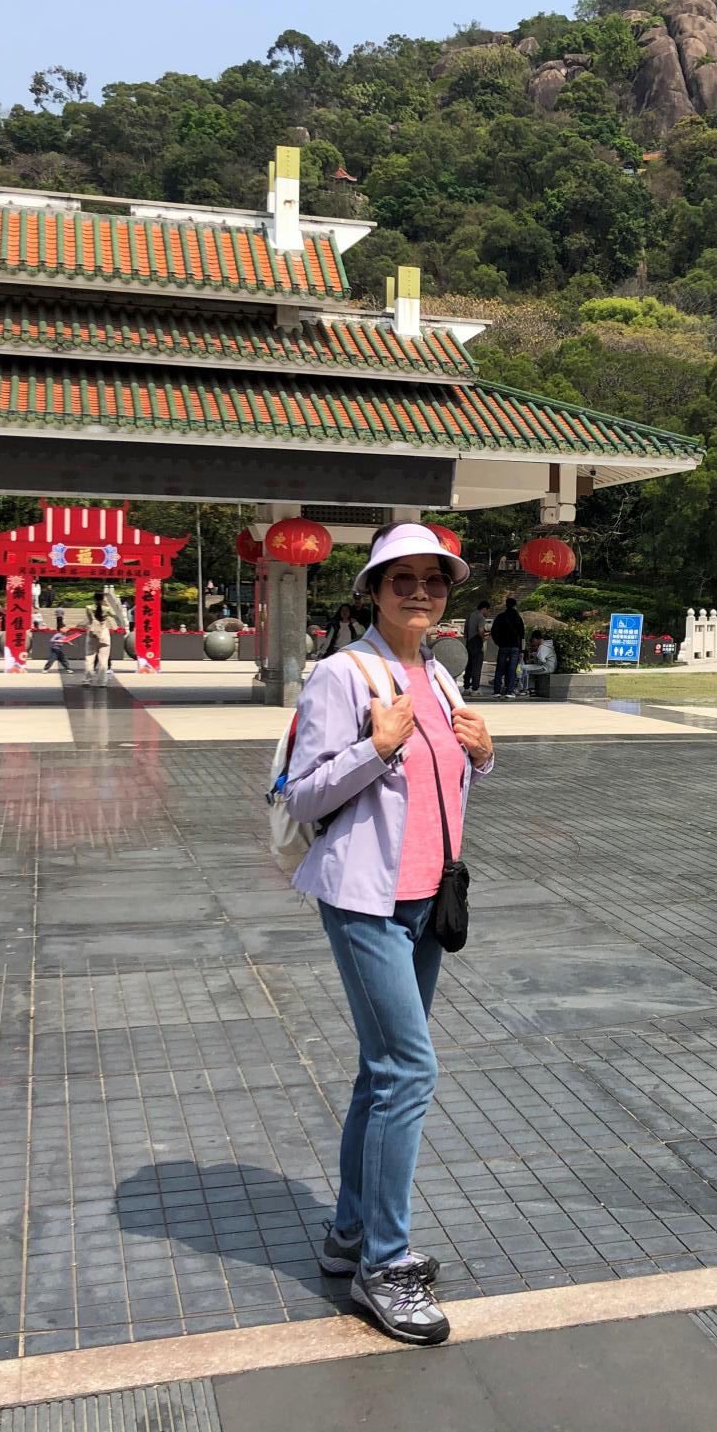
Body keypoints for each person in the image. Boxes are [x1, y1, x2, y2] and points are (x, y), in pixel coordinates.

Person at [283, 523, 494, 1346]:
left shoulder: (439, 676)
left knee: (382, 1074)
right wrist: (374, 748)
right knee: (410, 1069)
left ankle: (349, 1233)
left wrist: (484, 754)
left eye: (433, 580)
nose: (420, 592)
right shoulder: (342, 675)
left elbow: (442, 779)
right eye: (401, 578)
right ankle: (385, 1263)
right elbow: (302, 794)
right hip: (365, 902)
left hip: (428, 901)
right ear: (371, 590)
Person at [490, 595, 525, 698]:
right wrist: (522, 650)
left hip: (503, 646)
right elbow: (522, 635)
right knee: (512, 669)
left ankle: (497, 691)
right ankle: (510, 691)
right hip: (515, 647)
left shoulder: (500, 617)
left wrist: (499, 643)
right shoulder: (518, 618)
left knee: (500, 668)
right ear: (515, 606)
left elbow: (494, 631)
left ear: (506, 605)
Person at [462, 598, 491, 694]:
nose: (488, 613)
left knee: (468, 666)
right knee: (477, 667)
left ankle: (466, 687)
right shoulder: (481, 617)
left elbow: (465, 632)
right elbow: (481, 631)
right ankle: (475, 688)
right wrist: (485, 637)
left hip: (468, 643)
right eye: (488, 610)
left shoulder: (470, 615)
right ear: (484, 608)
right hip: (477, 643)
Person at [520, 629, 558, 699]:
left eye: (533, 640)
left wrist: (535, 658)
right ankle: (532, 689)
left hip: (546, 668)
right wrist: (534, 655)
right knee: (529, 670)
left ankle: (523, 689)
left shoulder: (542, 647)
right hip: (550, 667)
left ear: (535, 639)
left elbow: (542, 659)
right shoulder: (547, 645)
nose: (533, 643)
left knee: (523, 668)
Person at [83, 601, 113, 685]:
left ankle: (87, 680)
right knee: (104, 660)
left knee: (89, 658)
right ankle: (102, 682)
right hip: (103, 632)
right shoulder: (107, 609)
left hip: (93, 632)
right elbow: (114, 615)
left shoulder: (88, 607)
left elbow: (89, 619)